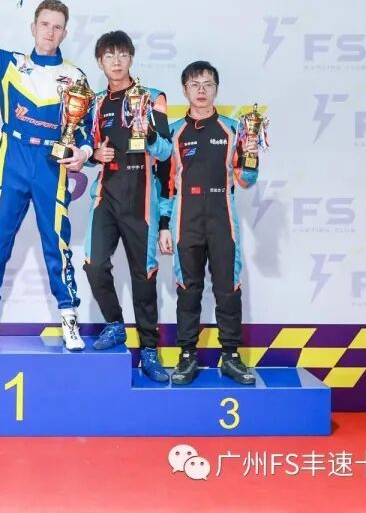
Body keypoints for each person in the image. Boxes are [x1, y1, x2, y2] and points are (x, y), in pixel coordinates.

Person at [0, 0, 93, 351]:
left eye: (57, 27)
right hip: (13, 158)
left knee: (56, 243)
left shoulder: (76, 77)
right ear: (33, 27)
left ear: (65, 33)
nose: (50, 32)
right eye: (44, 24)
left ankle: (69, 319)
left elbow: (85, 129)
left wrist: (82, 152)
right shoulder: (11, 64)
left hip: (51, 163)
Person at [158, 61, 260, 385]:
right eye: (194, 84)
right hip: (185, 218)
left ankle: (230, 356)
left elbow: (245, 180)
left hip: (222, 217)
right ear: (184, 90)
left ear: (217, 89)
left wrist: (252, 156)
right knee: (188, 290)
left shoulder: (234, 129)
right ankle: (187, 355)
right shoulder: (173, 132)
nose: (201, 91)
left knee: (228, 289)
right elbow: (166, 184)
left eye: (208, 85)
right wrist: (163, 224)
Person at [83, 31, 172, 383]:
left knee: (143, 275)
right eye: (109, 56)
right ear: (100, 62)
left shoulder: (152, 97)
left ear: (131, 58)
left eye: (122, 54)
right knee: (93, 265)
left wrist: (148, 133)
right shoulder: (94, 103)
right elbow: (87, 149)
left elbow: (165, 153)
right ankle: (115, 324)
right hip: (106, 195)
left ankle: (149, 349)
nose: (116, 61)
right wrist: (95, 154)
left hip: (141, 196)